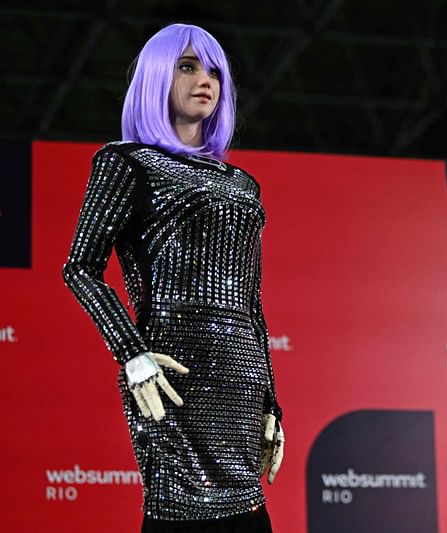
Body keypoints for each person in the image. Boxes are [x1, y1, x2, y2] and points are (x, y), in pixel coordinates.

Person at [63, 23, 284, 532]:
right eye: (188, 66)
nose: (205, 79)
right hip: (167, 375)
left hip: (242, 381)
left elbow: (251, 303)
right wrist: (131, 353)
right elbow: (80, 268)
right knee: (179, 512)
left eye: (215, 71)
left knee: (248, 515)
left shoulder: (243, 184)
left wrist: (272, 401)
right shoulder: (126, 162)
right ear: (158, 75)